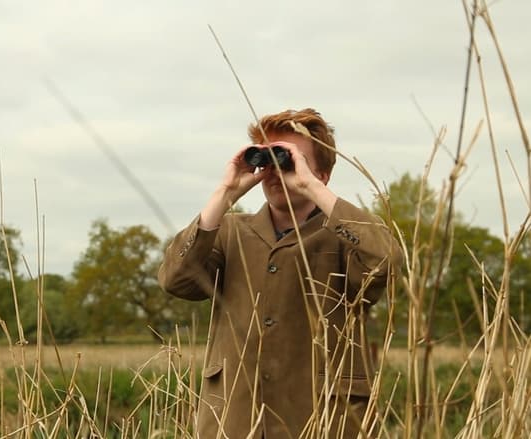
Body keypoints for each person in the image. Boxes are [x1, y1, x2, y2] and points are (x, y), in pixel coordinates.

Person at [158, 109, 402, 438]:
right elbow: (175, 279)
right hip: (236, 418)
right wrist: (225, 193)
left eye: (288, 160)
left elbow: (387, 261)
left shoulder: (344, 234)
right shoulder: (230, 231)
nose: (276, 173)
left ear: (323, 174)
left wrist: (310, 187)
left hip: (323, 419)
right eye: (268, 160)